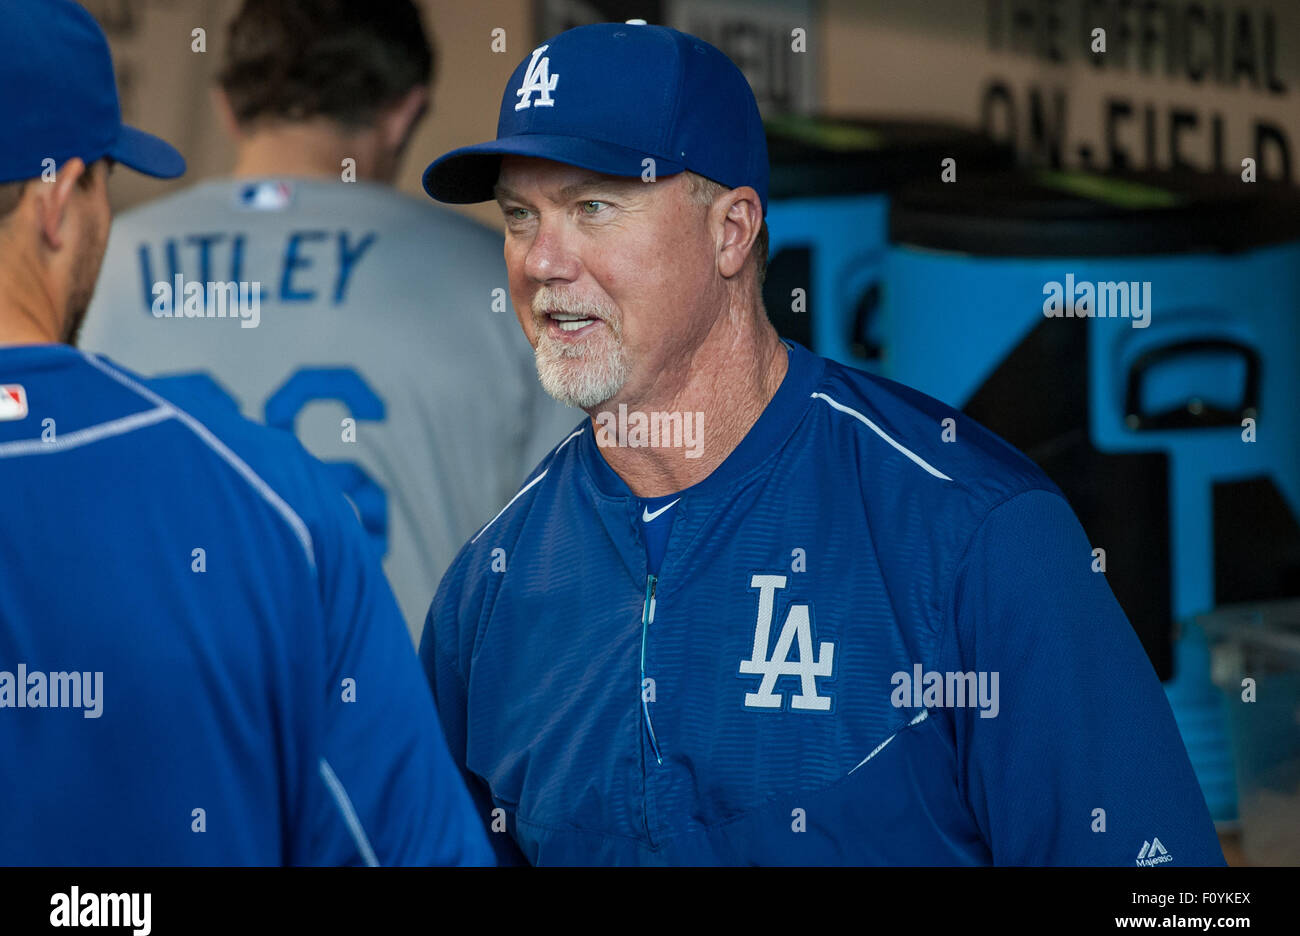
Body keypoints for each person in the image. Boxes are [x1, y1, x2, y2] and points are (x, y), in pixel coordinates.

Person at [417, 21, 1227, 865]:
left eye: (592, 207)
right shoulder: (492, 588)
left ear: (732, 231)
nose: (543, 260)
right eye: (519, 216)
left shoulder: (967, 534)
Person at [0, 0, 490, 866]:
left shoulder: (127, 276)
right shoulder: (500, 284)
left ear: (226, 108)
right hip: (367, 746)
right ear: (57, 198)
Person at [78, 0, 575, 641]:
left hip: (154, 721)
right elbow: (560, 576)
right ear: (404, 113)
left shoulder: (93, 267)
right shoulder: (514, 278)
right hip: (403, 730)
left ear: (227, 107)